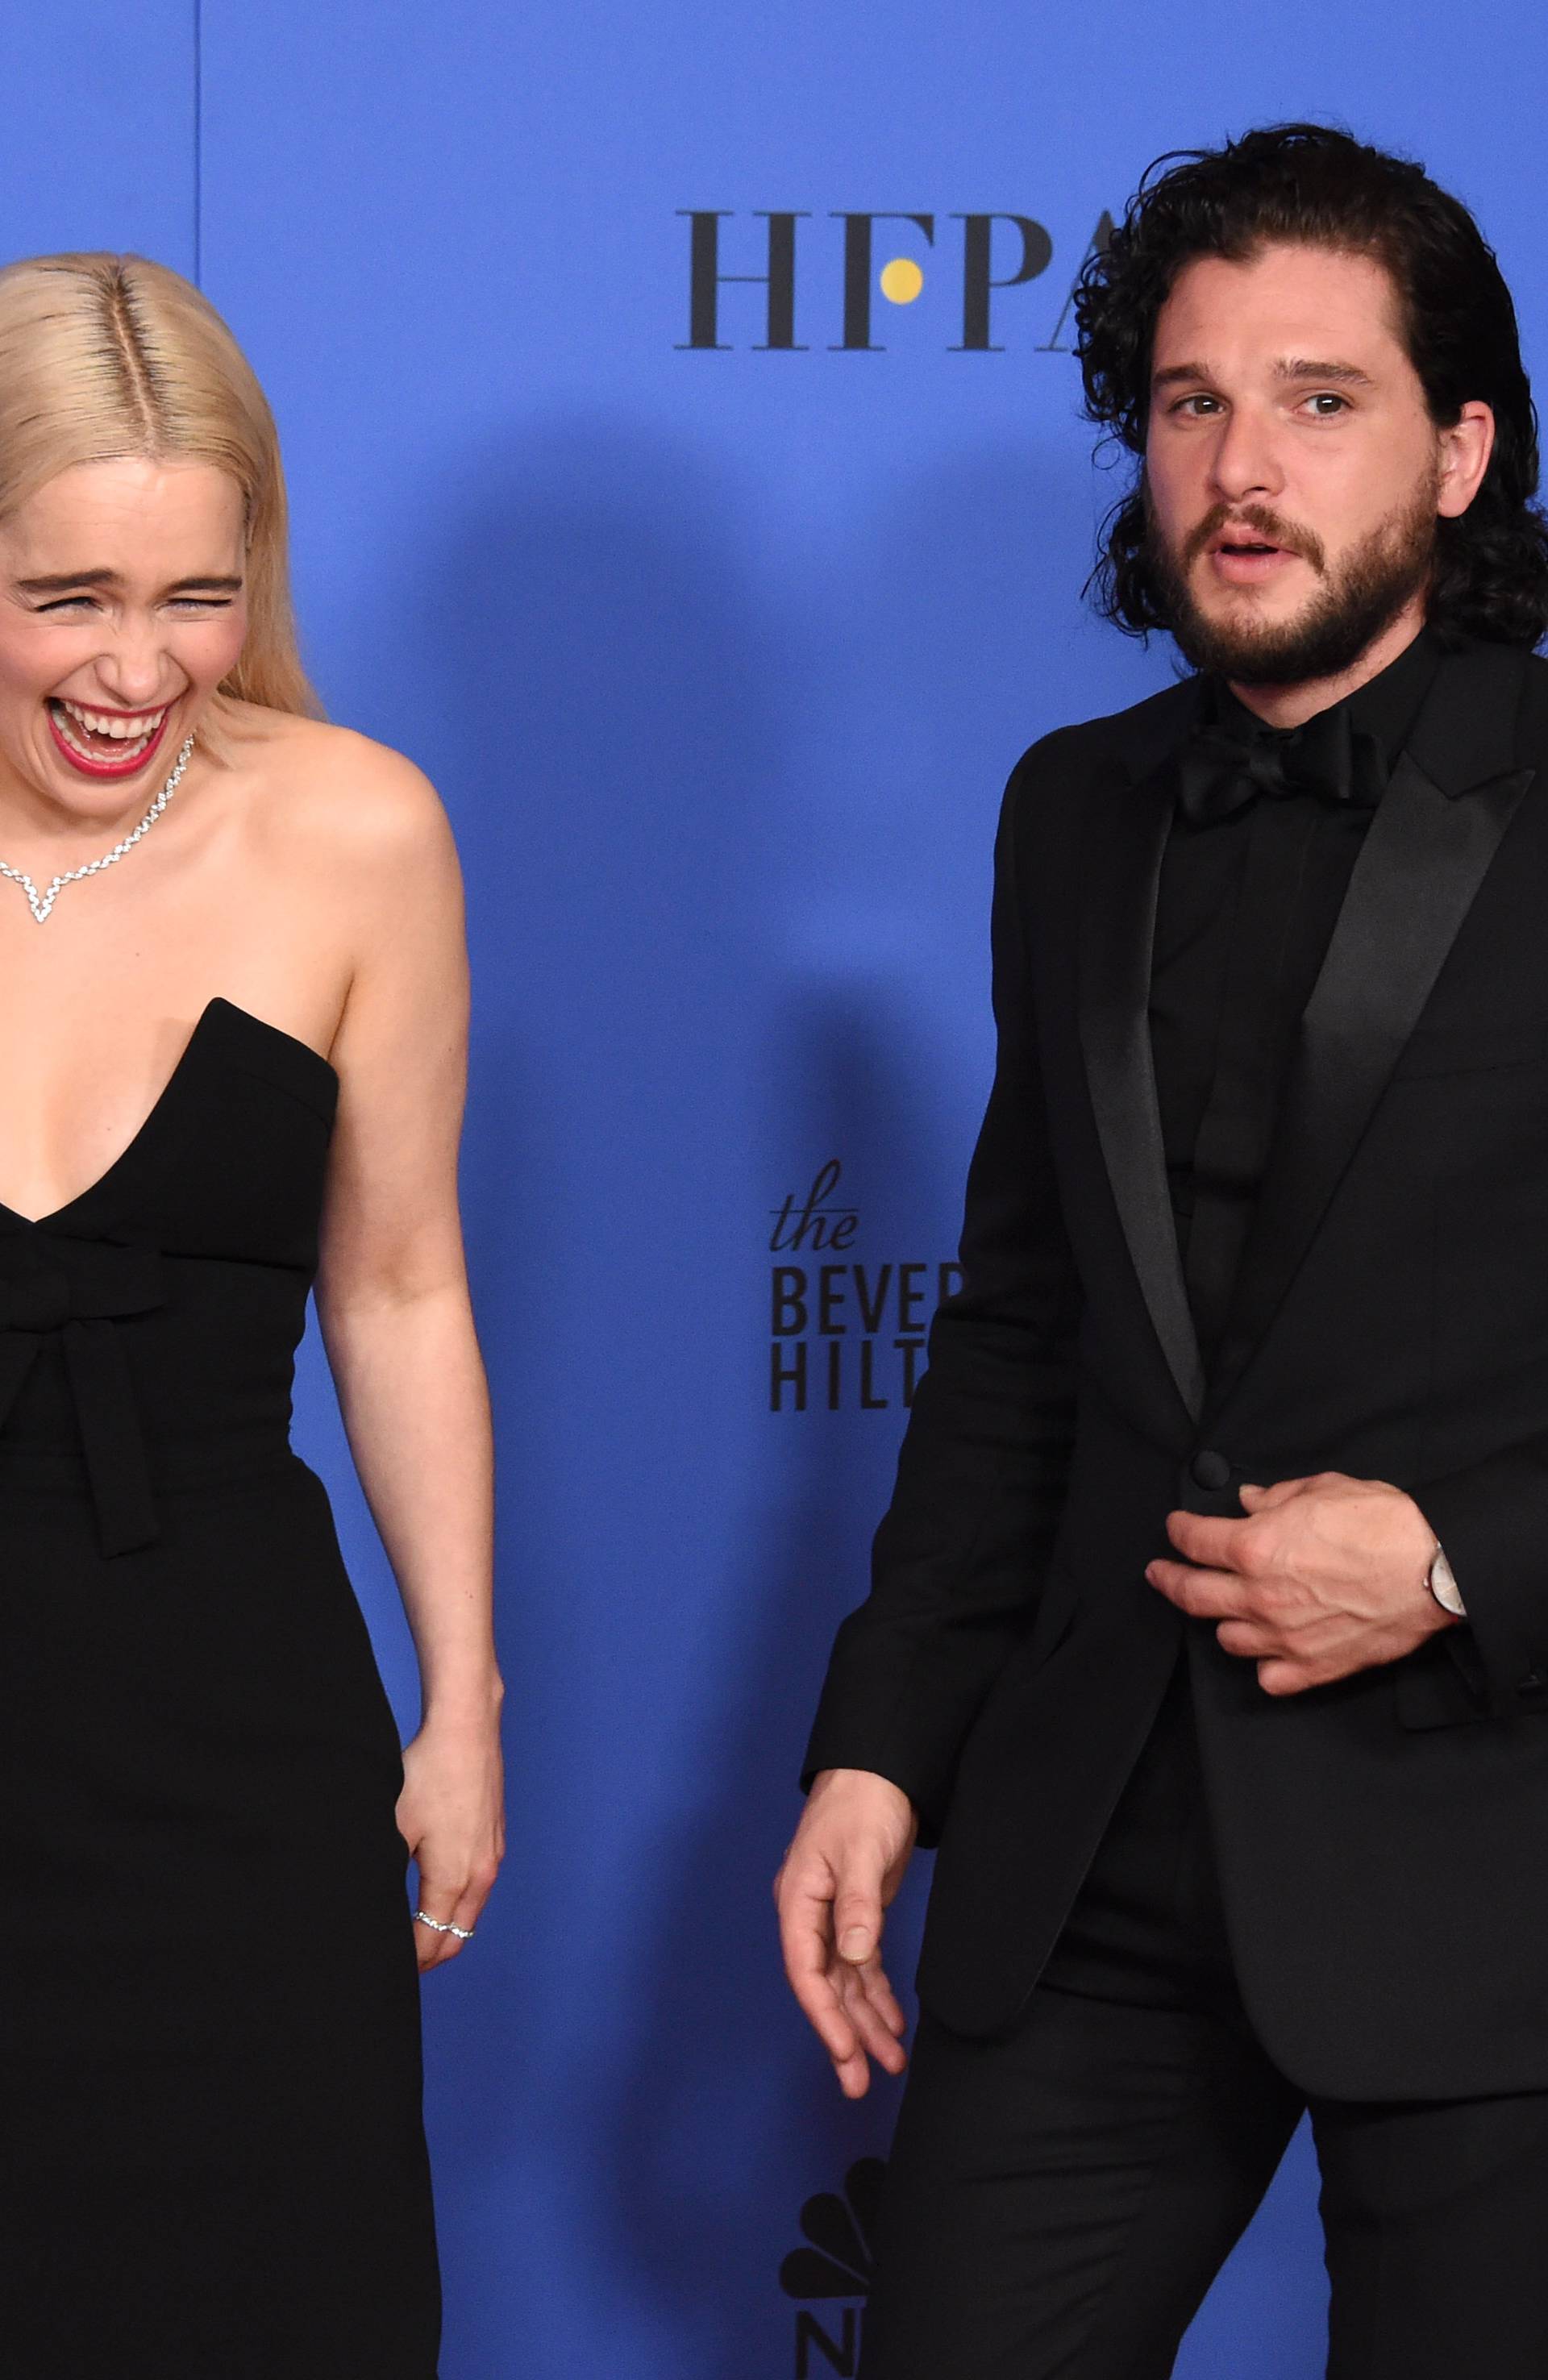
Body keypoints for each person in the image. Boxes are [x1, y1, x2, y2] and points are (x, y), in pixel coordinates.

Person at [776, 123, 1548, 2378]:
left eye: (1323, 401)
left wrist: (1457, 1563)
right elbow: (1018, 1334)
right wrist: (880, 1752)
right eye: (1194, 401)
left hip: (1494, 1853)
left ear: (1463, 448)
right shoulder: (1075, 807)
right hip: (1099, 1839)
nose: (1243, 465)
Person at [0, 252, 501, 2377]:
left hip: (223, 1749)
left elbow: (396, 1283)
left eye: (195, 595)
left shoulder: (355, 835)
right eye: (69, 599)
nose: (140, 669)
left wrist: (464, 1698)